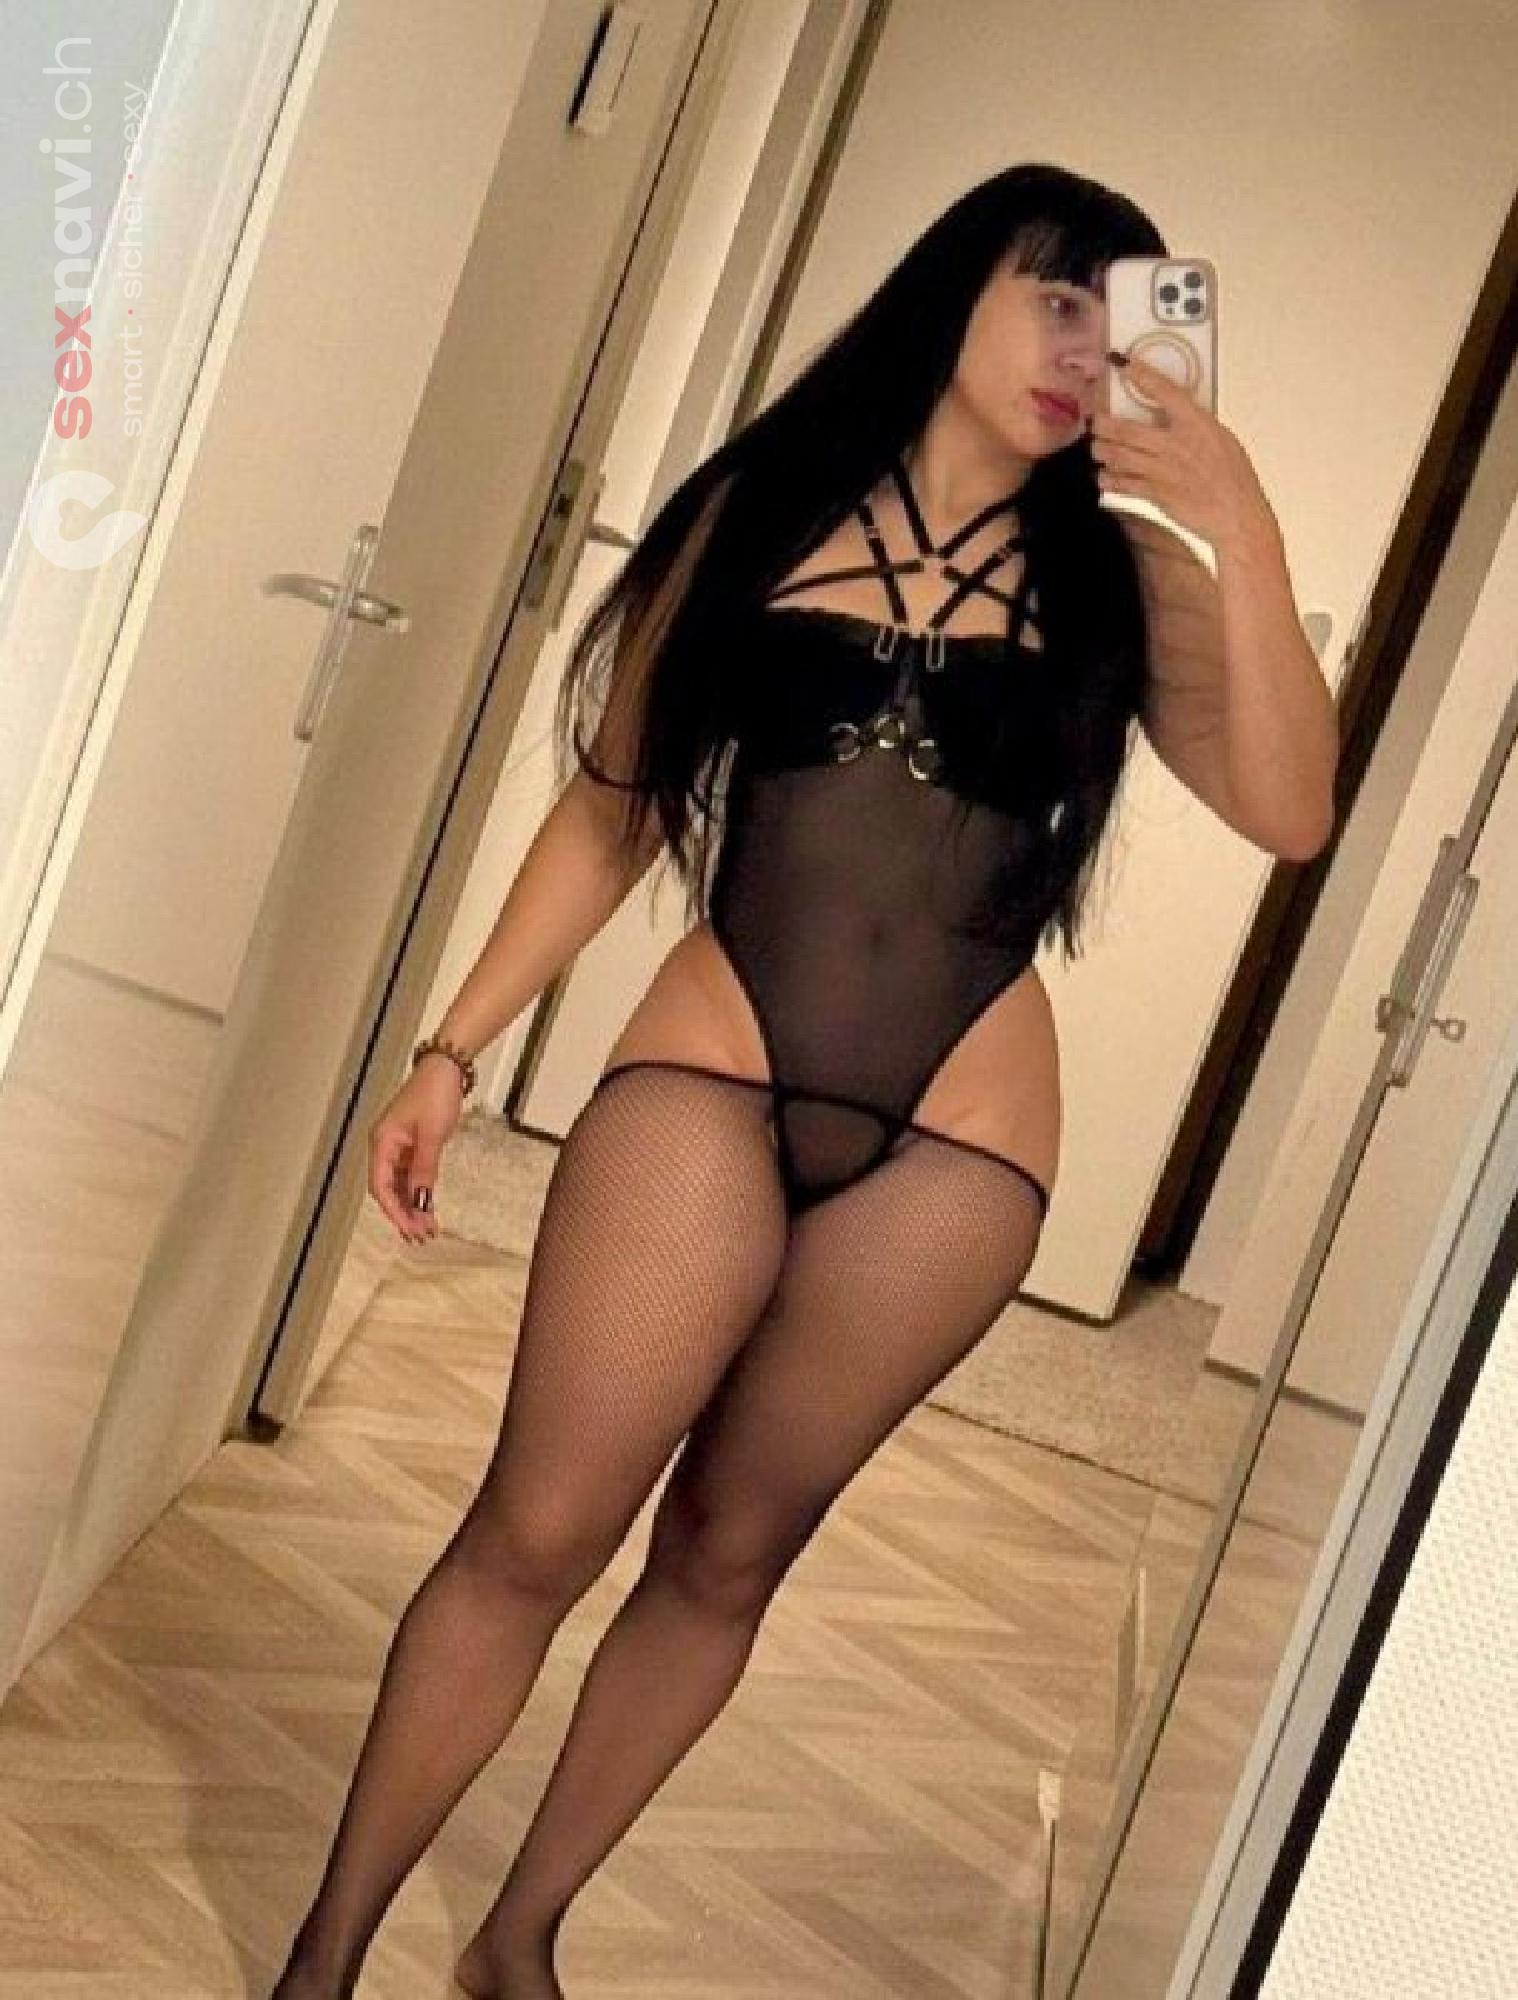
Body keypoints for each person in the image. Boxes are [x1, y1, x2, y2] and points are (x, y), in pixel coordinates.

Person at [272, 161, 1319, 2000]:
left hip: (961, 1144)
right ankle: (323, 1963)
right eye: (1054, 299)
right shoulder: (755, 514)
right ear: (957, 289)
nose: (1082, 352)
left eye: (1116, 322)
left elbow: (1291, 810)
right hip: (716, 1069)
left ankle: (518, 1940)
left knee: (727, 1555)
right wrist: (452, 1048)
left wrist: (1241, 527)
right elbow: (611, 809)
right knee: (539, 1527)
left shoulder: (1126, 578)